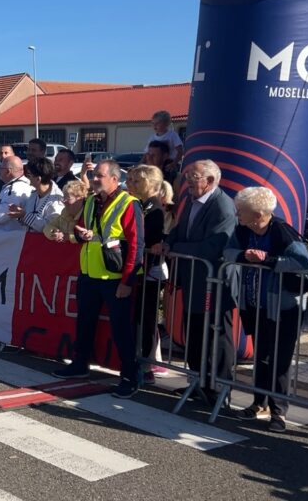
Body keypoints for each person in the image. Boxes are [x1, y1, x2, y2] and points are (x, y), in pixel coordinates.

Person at [53, 159, 144, 399]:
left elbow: (136, 245)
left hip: (114, 277)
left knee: (121, 328)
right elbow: (85, 231)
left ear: (115, 179)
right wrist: (80, 233)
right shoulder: (92, 201)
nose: (94, 179)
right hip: (90, 273)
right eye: (94, 175)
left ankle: (129, 377)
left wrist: (127, 282)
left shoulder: (129, 203)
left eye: (99, 176)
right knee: (84, 322)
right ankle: (80, 364)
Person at [225, 186, 308, 433]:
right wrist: (245, 255)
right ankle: (259, 403)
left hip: (283, 308)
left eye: (241, 211)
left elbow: (303, 262)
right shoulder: (243, 230)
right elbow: (229, 252)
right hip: (255, 304)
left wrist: (268, 260)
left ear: (259, 214)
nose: (238, 215)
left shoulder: (282, 232)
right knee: (262, 356)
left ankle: (279, 412)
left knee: (280, 361)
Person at [152, 159, 236, 404]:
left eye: (193, 176)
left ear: (209, 181)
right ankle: (198, 383)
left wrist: (175, 248)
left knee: (216, 336)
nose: (187, 180)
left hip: (215, 283)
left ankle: (219, 389)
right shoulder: (190, 201)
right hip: (192, 279)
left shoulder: (222, 206)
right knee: (195, 332)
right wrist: (168, 243)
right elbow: (180, 229)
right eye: (188, 175)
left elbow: (214, 246)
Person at [126, 165, 175, 385]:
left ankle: (146, 366)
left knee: (145, 320)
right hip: (143, 270)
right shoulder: (143, 205)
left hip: (150, 272)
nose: (132, 185)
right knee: (139, 320)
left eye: (137, 181)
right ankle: (140, 362)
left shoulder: (154, 209)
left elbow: (148, 239)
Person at [13, 158, 64, 232]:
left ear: (38, 179)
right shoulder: (34, 194)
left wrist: (24, 216)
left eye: (28, 175)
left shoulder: (56, 200)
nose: (26, 178)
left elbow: (51, 229)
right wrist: (19, 214)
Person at [0, 156, 32, 232]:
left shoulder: (16, 189)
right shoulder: (15, 186)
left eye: (1, 168)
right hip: (8, 237)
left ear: (8, 171)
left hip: (9, 238)